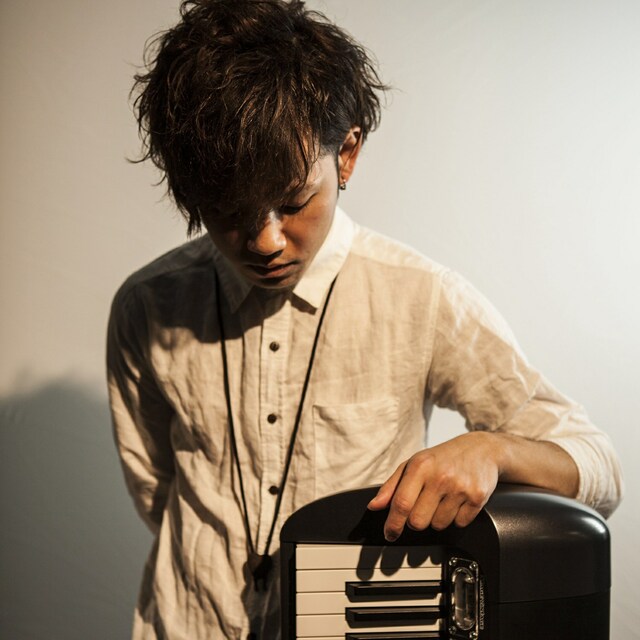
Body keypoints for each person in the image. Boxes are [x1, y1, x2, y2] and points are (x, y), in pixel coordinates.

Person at [107, 1, 623, 638]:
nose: (265, 241)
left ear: (346, 153)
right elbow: (157, 491)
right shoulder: (146, 306)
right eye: (230, 211)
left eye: (293, 201)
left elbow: (599, 468)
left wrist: (492, 451)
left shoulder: (423, 296)